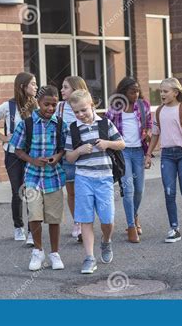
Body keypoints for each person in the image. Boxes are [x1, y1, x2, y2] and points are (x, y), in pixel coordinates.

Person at [65, 90, 125, 274]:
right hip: (83, 179)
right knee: (85, 219)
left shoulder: (105, 123)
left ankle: (106, 241)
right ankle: (89, 257)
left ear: (92, 105)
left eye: (83, 110)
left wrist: (108, 144)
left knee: (108, 220)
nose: (80, 114)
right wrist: (79, 150)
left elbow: (122, 144)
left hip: (104, 178)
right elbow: (69, 158)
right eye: (76, 112)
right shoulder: (73, 129)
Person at [9, 85, 68, 270]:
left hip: (54, 177)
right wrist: (33, 160)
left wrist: (56, 158)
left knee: (54, 218)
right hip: (33, 177)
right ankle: (38, 251)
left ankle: (55, 253)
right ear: (38, 103)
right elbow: (17, 149)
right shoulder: (26, 124)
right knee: (34, 215)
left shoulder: (60, 124)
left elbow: (64, 148)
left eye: (54, 105)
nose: (50, 108)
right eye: (46, 104)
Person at [145, 78, 182, 243]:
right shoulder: (159, 111)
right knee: (169, 192)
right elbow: (155, 135)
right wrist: (148, 155)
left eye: (165, 91)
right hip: (167, 155)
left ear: (175, 93)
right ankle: (174, 228)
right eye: (160, 91)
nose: (161, 94)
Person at [0, 72, 38, 245]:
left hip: (31, 155)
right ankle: (18, 227)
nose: (36, 87)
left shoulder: (36, 105)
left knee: (30, 190)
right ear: (23, 86)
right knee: (17, 191)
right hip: (12, 154)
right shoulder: (8, 106)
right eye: (33, 84)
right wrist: (3, 138)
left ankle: (32, 231)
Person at [105, 77, 152, 243]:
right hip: (122, 152)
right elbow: (106, 128)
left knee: (139, 190)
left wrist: (148, 133)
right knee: (128, 189)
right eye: (132, 92)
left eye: (138, 91)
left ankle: (134, 214)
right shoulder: (115, 108)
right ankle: (131, 226)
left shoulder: (143, 105)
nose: (136, 94)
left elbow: (150, 125)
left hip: (139, 151)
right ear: (124, 92)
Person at [56, 76, 89, 242]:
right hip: (68, 154)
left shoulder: (86, 106)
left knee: (84, 191)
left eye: (65, 87)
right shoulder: (59, 108)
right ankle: (77, 222)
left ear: (75, 89)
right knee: (71, 192)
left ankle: (85, 223)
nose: (62, 90)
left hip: (85, 153)